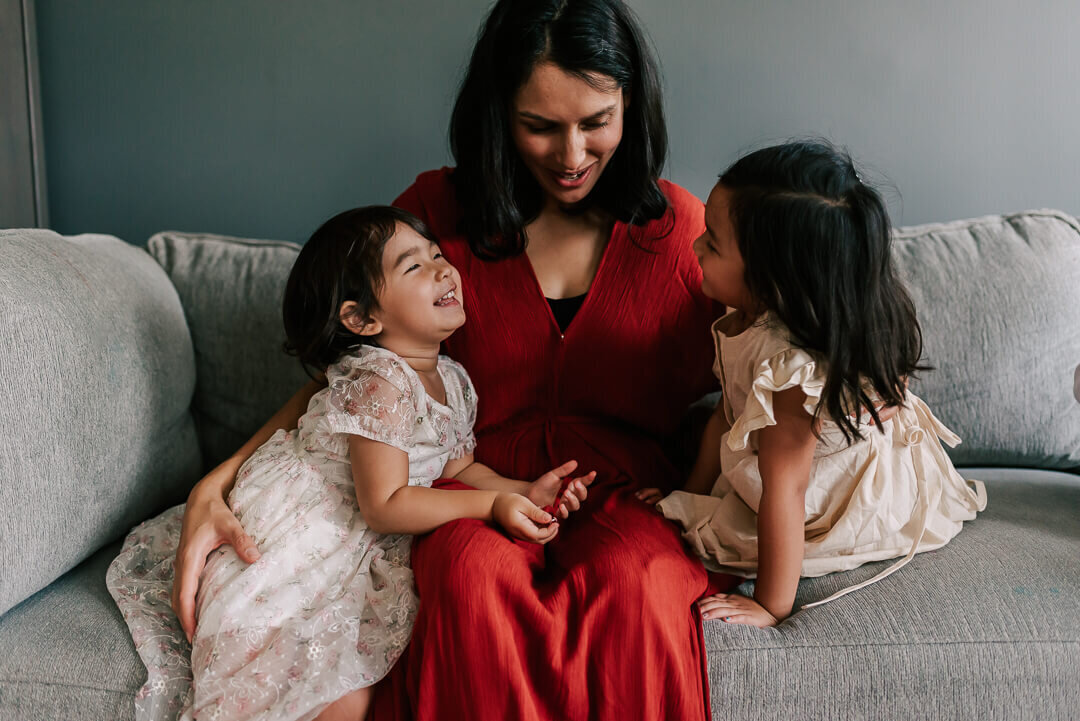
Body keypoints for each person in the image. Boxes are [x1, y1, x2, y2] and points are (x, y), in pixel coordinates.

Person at [171, 0, 736, 719]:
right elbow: (348, 382)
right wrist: (216, 481)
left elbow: (774, 352)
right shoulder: (430, 216)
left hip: (628, 494)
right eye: (540, 126)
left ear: (632, 106)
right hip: (463, 487)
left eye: (596, 122)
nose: (571, 155)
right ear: (500, 114)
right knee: (469, 575)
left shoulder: (688, 233)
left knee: (645, 581)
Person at [107, 206, 593, 721]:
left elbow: (456, 468)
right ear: (362, 319)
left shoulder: (452, 379)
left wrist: (522, 489)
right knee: (330, 695)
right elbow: (384, 504)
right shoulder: (380, 382)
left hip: (356, 529)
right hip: (302, 530)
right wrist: (493, 505)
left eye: (436, 255)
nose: (443, 269)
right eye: (414, 267)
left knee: (351, 682)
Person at [639, 142, 987, 628]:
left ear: (771, 281)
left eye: (712, 243)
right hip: (784, 467)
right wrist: (688, 497)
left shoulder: (788, 376)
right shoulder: (747, 308)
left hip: (832, 494)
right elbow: (729, 413)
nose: (696, 248)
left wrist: (769, 605)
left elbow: (787, 486)